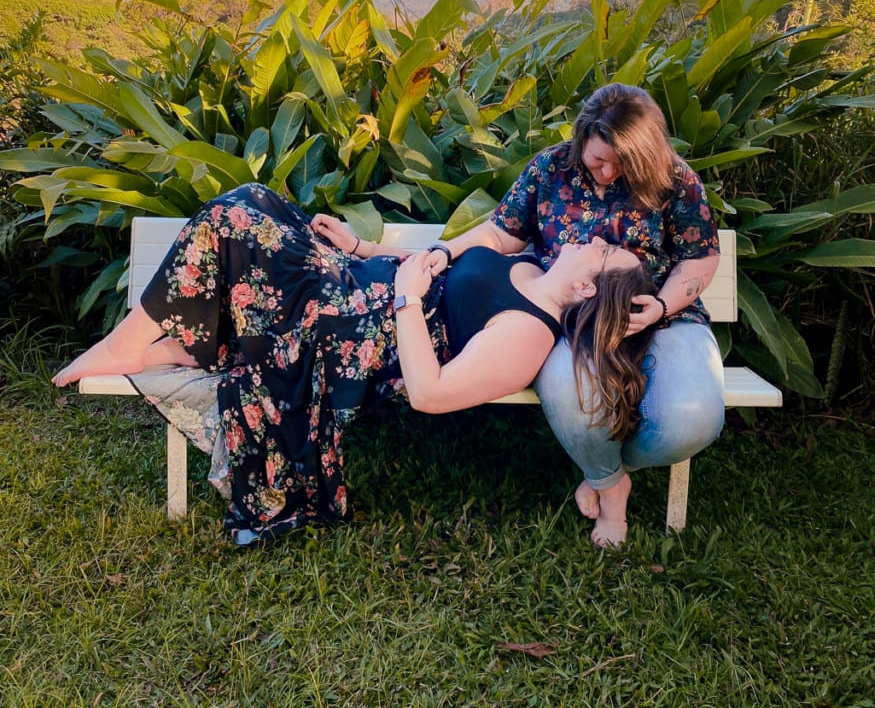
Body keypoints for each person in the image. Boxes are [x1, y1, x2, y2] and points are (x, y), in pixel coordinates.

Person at [52, 182, 651, 546]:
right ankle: (172, 342)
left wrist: (408, 297)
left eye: (600, 252)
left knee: (232, 219)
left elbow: (429, 392)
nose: (590, 239)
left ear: (585, 294)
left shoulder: (527, 336)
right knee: (257, 203)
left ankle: (132, 342)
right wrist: (364, 248)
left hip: (357, 328)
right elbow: (436, 261)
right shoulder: (532, 266)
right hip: (359, 284)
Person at [422, 83, 725, 546]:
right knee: (572, 395)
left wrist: (661, 305)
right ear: (582, 139)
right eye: (597, 159)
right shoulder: (550, 168)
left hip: (663, 318)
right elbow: (502, 235)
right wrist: (444, 251)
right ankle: (610, 485)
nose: (606, 172)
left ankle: (604, 471)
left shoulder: (675, 180)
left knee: (692, 420)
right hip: (570, 321)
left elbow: (700, 257)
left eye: (620, 163)